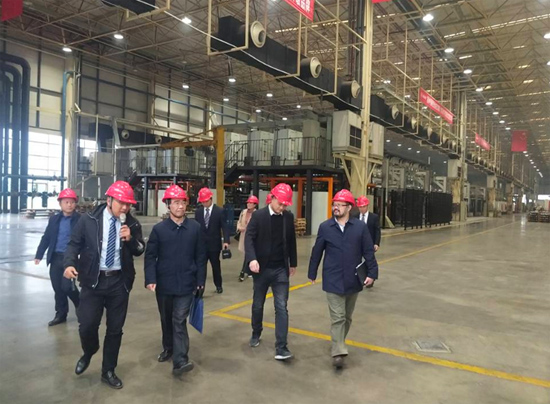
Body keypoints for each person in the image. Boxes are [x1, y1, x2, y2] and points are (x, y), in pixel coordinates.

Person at [63, 181, 144, 389]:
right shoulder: (88, 220)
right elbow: (73, 244)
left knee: (115, 330)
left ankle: (108, 370)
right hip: (93, 281)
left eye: (128, 204)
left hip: (119, 282)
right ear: (109, 200)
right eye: (121, 203)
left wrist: (130, 239)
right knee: (87, 325)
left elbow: (139, 249)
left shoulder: (132, 224)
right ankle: (89, 350)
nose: (125, 208)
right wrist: (69, 264)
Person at [308, 189, 378, 369]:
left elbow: (368, 251)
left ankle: (338, 341)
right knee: (338, 317)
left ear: (349, 208)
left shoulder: (360, 228)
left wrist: (372, 273)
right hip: (332, 278)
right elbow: (317, 251)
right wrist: (312, 272)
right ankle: (338, 351)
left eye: (340, 205)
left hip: (353, 279)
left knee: (347, 317)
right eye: (334, 204)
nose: (336, 207)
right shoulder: (325, 227)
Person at [144, 185, 206, 376]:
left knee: (179, 320)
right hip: (164, 284)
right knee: (166, 319)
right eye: (176, 202)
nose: (180, 206)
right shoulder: (159, 230)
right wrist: (150, 278)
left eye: (183, 202)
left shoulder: (195, 228)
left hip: (187, 283)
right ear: (168, 205)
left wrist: (200, 280)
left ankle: (180, 360)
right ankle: (169, 348)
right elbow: (150, 256)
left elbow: (201, 256)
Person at [245, 183, 297, 361]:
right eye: (280, 204)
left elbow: (291, 240)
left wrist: (293, 263)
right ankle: (256, 332)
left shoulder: (288, 217)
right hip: (262, 269)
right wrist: (252, 259)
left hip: (281, 269)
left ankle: (281, 347)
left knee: (281, 306)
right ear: (272, 198)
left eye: (285, 205)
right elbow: (249, 238)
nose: (282, 207)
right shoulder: (258, 216)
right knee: (258, 304)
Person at [34, 188, 81, 326]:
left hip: (70, 259)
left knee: (67, 287)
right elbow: (46, 237)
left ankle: (80, 306)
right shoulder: (54, 219)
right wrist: (39, 254)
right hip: (55, 258)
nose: (69, 205)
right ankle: (61, 314)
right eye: (66, 202)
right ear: (60, 203)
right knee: (58, 288)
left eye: (72, 202)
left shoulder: (80, 220)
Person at [194, 187, 230, 294]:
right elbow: (195, 228)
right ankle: (200, 289)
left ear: (210, 199)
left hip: (214, 245)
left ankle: (218, 285)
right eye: (202, 202)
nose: (204, 203)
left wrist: (226, 241)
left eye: (206, 201)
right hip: (201, 246)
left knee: (216, 266)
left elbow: (224, 227)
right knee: (201, 268)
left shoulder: (219, 211)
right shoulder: (198, 212)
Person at [354, 196, 381, 289]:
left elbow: (377, 231)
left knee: (369, 261)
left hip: (369, 244)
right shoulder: (355, 217)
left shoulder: (374, 217)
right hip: (357, 244)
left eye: (363, 206)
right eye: (360, 207)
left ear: (367, 206)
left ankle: (370, 278)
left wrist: (376, 243)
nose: (362, 209)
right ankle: (359, 278)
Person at [237, 195, 259, 282]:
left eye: (251, 203)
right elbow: (239, 221)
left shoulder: (257, 214)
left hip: (253, 237)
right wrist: (239, 227)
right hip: (244, 235)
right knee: (247, 253)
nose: (249, 204)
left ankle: (243, 271)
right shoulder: (243, 212)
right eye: (248, 203)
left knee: (248, 253)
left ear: (255, 205)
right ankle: (250, 271)